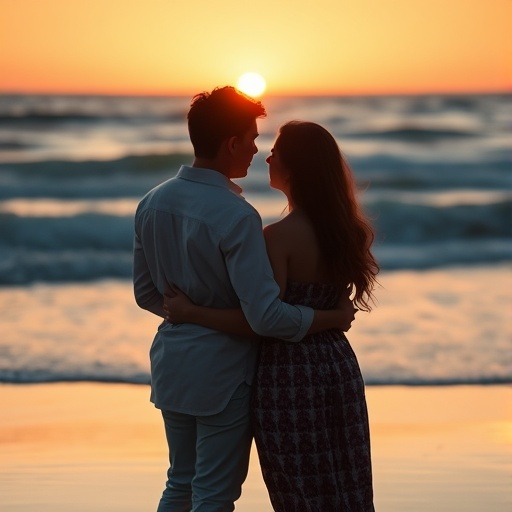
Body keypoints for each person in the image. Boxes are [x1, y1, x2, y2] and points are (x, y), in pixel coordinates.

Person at [133, 87, 357, 512]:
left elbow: (146, 294)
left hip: (171, 363)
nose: (257, 150)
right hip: (224, 374)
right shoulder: (237, 216)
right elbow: (267, 317)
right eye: (253, 139)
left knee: (179, 482)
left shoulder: (152, 202)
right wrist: (331, 317)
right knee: (215, 493)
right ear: (232, 143)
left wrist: (186, 313)